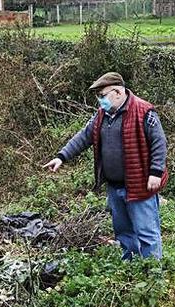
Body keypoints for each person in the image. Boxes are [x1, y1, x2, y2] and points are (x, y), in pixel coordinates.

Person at [43, 72, 168, 260]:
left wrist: (155, 172)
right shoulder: (102, 115)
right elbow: (84, 136)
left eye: (102, 96)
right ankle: (130, 264)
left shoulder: (144, 112)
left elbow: (159, 142)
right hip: (114, 186)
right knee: (123, 231)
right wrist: (62, 157)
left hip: (139, 184)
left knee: (146, 231)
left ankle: (152, 273)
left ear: (117, 92)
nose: (100, 101)